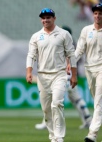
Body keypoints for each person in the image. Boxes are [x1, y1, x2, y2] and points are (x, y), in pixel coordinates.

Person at [26, 8, 77, 142]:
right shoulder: (36, 36)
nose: (45, 20)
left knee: (57, 104)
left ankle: (59, 137)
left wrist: (74, 75)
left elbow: (71, 55)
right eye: (43, 18)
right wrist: (29, 72)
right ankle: (53, 136)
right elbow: (31, 55)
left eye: (48, 17)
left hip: (59, 74)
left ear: (54, 18)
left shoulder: (64, 34)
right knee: (46, 109)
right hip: (42, 76)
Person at [35, 26, 91, 130]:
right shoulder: (73, 44)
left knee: (52, 98)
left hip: (63, 75)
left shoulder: (64, 44)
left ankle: (47, 123)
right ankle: (87, 119)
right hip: (71, 75)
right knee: (76, 99)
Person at [75, 3, 102, 142]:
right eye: (96, 13)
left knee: (98, 102)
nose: (97, 16)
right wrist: (71, 63)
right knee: (97, 101)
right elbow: (79, 49)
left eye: (100, 13)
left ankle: (92, 134)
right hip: (89, 69)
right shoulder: (86, 30)